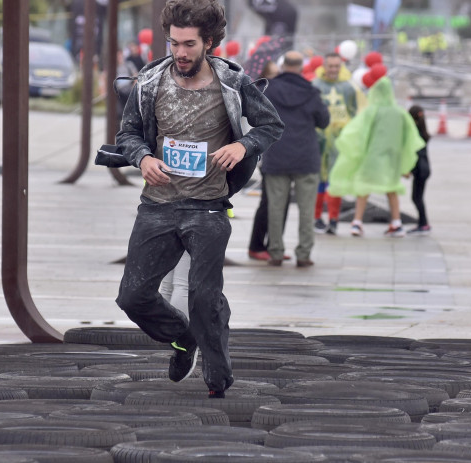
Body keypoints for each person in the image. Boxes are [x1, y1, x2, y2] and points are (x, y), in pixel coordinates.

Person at [114, 0, 284, 398]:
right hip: (158, 204)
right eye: (173, 43)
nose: (180, 53)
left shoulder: (232, 82)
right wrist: (142, 158)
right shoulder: (150, 82)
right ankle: (182, 338)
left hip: (207, 207)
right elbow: (128, 135)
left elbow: (271, 125)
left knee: (204, 296)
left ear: (208, 42)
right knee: (133, 297)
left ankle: (218, 373)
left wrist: (243, 146)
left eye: (189, 44)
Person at [329, 74, 425, 238]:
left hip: (372, 158)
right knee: (392, 189)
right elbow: (409, 137)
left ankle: (357, 222)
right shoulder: (400, 113)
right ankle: (396, 222)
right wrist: (404, 161)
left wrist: (355, 152)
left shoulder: (371, 112)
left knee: (363, 188)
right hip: (392, 159)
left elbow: (359, 133)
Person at [262, 50, 329, 267]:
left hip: (276, 155)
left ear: (283, 65)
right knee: (307, 210)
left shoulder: (269, 90)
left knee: (275, 208)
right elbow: (324, 121)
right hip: (305, 158)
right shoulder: (311, 92)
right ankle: (303, 254)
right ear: (301, 67)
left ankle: (276, 252)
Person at [248, 59, 289, 261]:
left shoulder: (278, 93)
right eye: (272, 75)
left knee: (277, 202)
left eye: (278, 73)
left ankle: (272, 244)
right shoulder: (262, 95)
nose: (276, 78)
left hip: (280, 154)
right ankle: (257, 245)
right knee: (267, 203)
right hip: (269, 155)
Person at [312, 52, 357, 235]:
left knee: (335, 180)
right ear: (324, 66)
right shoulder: (315, 86)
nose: (333, 70)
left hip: (339, 142)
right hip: (319, 141)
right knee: (318, 180)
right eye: (330, 66)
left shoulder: (348, 88)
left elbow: (352, 113)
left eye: (337, 66)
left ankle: (334, 219)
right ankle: (316, 218)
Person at [407, 105, 431, 235]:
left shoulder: (414, 132)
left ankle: (424, 223)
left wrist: (408, 168)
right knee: (418, 197)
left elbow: (414, 153)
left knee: (416, 197)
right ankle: (422, 222)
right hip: (425, 168)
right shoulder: (423, 131)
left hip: (420, 169)